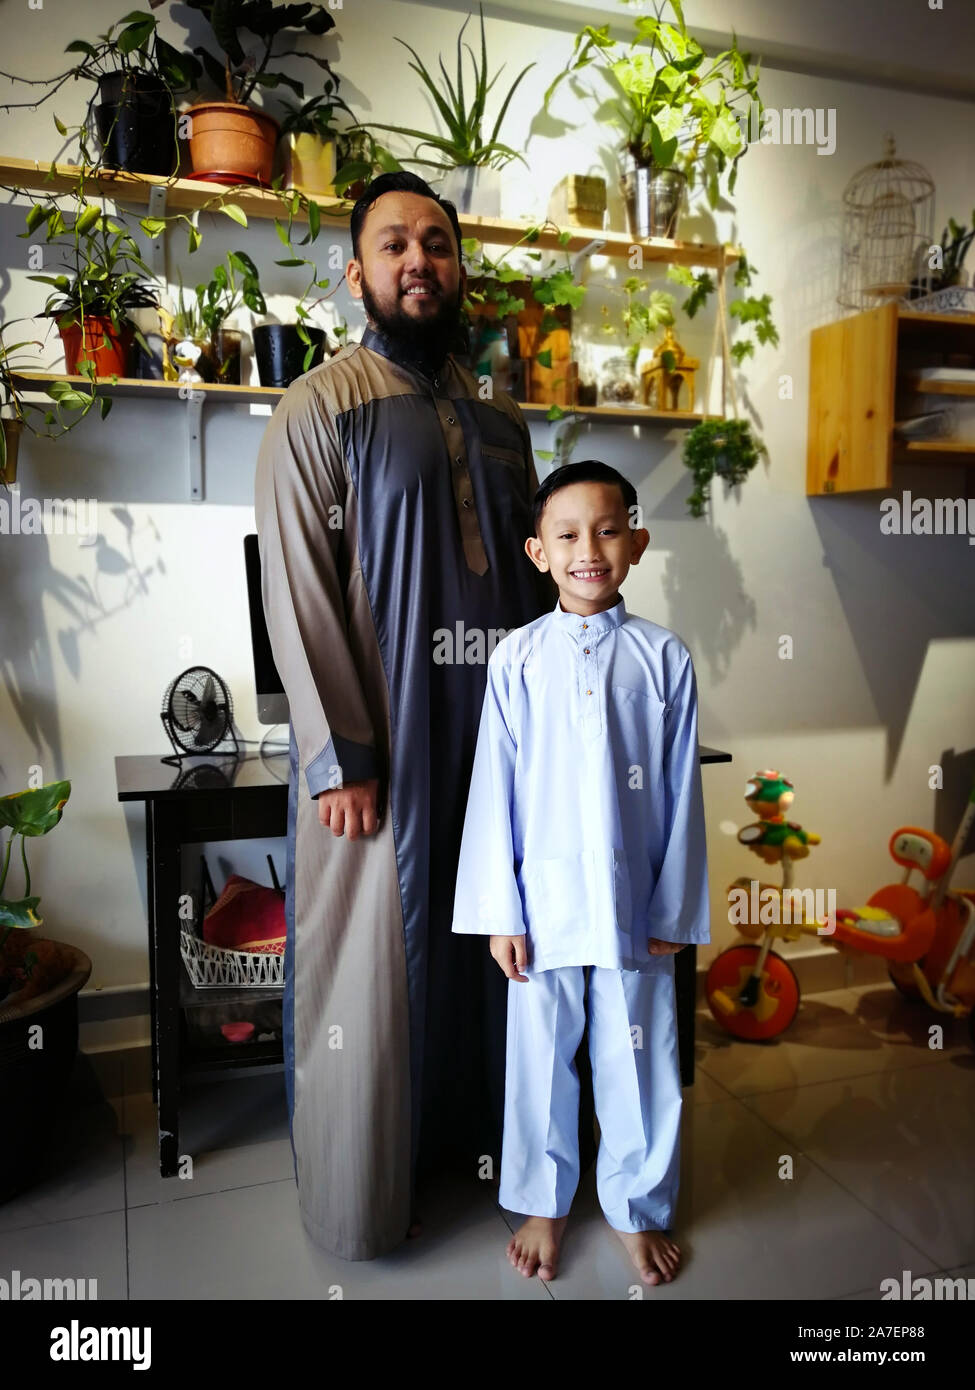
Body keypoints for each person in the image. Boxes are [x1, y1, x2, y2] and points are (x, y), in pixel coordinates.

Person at [254, 170, 559, 1260]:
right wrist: (343, 757)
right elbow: (297, 590)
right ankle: (365, 1200)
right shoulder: (317, 407)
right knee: (374, 971)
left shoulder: (505, 419)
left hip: (495, 747)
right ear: (357, 273)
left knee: (494, 951)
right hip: (385, 757)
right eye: (393, 245)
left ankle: (492, 1155)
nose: (418, 259)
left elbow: (537, 586)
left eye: (436, 241)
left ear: (459, 268)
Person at [451, 460, 711, 1285]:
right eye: (566, 534)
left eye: (606, 530)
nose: (587, 549)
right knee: (539, 1059)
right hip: (542, 903)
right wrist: (502, 911)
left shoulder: (663, 658)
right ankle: (542, 1203)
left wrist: (673, 906)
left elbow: (680, 792)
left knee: (638, 1058)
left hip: (635, 906)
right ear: (537, 551)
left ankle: (636, 1207)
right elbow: (493, 791)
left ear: (636, 540)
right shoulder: (515, 660)